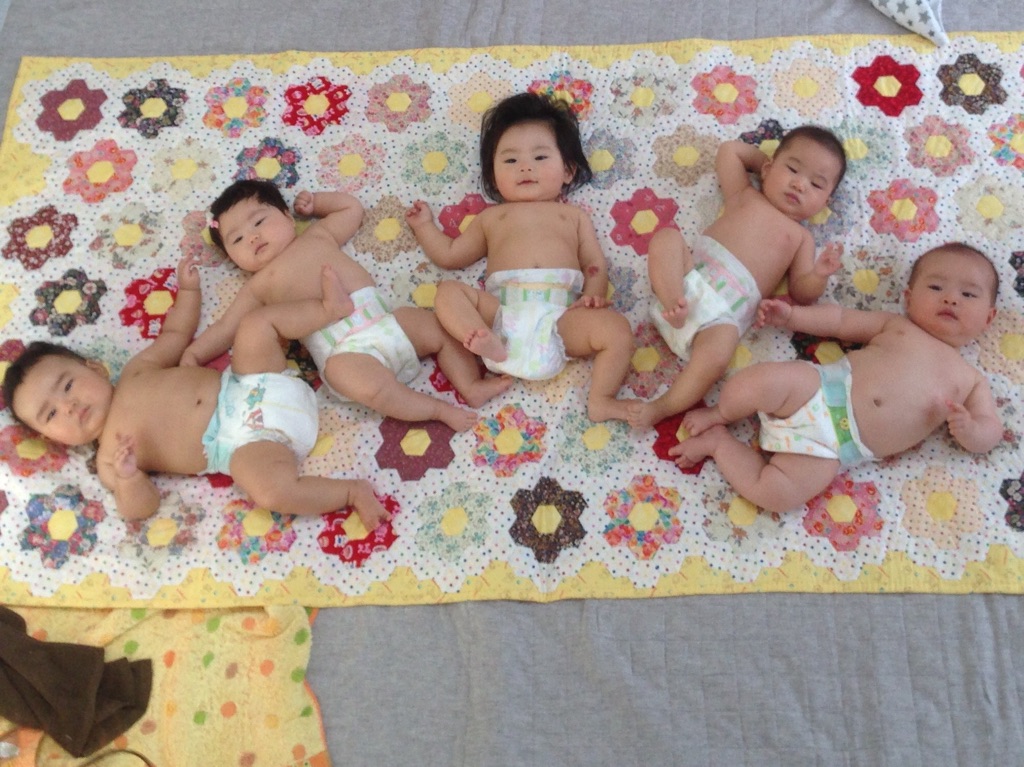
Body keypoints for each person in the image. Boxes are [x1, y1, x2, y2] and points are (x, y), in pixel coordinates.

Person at [3, 255, 391, 530]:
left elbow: (176, 333)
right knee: (269, 493)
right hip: (245, 443)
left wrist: (188, 291)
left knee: (255, 326)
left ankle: (329, 310)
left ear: (95, 368)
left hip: (251, 382)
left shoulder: (137, 370)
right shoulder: (109, 460)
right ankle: (350, 492)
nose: (68, 406)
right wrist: (129, 479)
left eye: (67, 385)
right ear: (51, 438)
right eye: (50, 414)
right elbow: (140, 509)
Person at [670, 242, 1002, 513]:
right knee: (755, 383)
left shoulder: (971, 380)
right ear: (909, 297)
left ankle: (719, 445)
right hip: (820, 389)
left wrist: (971, 431)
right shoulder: (896, 326)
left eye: (969, 295)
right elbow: (839, 321)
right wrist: (793, 317)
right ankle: (721, 413)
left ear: (989, 317)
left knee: (776, 494)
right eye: (936, 286)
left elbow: (991, 431)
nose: (950, 298)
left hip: (834, 449)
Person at [182, 180, 511, 433]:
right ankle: (437, 410)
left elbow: (351, 209)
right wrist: (194, 355)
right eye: (237, 239)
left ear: (287, 216)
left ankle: (470, 386)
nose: (252, 237)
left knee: (439, 327)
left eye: (258, 222)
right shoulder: (257, 287)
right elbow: (226, 328)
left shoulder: (317, 236)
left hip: (386, 322)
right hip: (342, 349)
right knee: (363, 383)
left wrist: (316, 203)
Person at [405, 91, 636, 423]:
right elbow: (450, 255)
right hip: (502, 316)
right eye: (510, 161)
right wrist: (424, 227)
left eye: (540, 157)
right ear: (493, 176)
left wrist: (593, 298)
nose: (526, 167)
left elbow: (594, 264)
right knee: (448, 292)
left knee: (617, 330)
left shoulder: (573, 217)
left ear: (568, 171)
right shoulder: (492, 218)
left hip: (561, 318)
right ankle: (480, 342)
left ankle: (601, 399)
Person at [627, 125, 848, 429]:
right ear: (768, 169)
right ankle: (672, 303)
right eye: (792, 169)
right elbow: (729, 151)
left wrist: (819, 274)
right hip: (689, 280)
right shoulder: (744, 195)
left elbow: (802, 293)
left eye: (816, 184)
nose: (799, 184)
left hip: (724, 318)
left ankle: (662, 407)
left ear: (825, 202)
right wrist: (766, 166)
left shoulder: (801, 239)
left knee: (717, 359)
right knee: (666, 238)